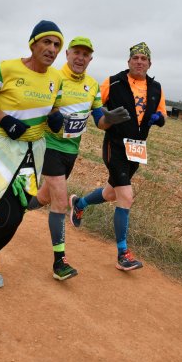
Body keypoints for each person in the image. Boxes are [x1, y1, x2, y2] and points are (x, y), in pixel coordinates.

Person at [0, 20, 66, 289]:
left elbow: (53, 107)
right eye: (46, 42)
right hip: (4, 147)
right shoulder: (7, 68)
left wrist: (56, 119)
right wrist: (3, 118)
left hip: (34, 151)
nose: (52, 49)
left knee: (17, 214)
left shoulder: (56, 78)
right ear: (33, 43)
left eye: (57, 45)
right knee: (7, 213)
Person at [26, 36, 130, 281]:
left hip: (71, 152)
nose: (80, 58)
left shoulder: (92, 86)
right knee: (60, 202)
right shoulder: (53, 77)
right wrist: (50, 116)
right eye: (77, 53)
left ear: (90, 59)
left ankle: (18, 205)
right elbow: (36, 107)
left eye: (86, 55)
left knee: (43, 197)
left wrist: (110, 119)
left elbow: (100, 122)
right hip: (48, 147)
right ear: (67, 54)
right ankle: (59, 262)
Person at [69, 42, 167, 271]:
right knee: (126, 196)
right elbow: (95, 105)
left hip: (137, 149)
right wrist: (105, 115)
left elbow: (162, 113)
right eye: (136, 58)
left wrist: (159, 119)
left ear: (149, 63)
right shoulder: (112, 82)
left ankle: (79, 203)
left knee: (111, 192)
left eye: (144, 59)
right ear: (129, 62)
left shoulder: (157, 88)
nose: (139, 62)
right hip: (115, 146)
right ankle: (123, 253)